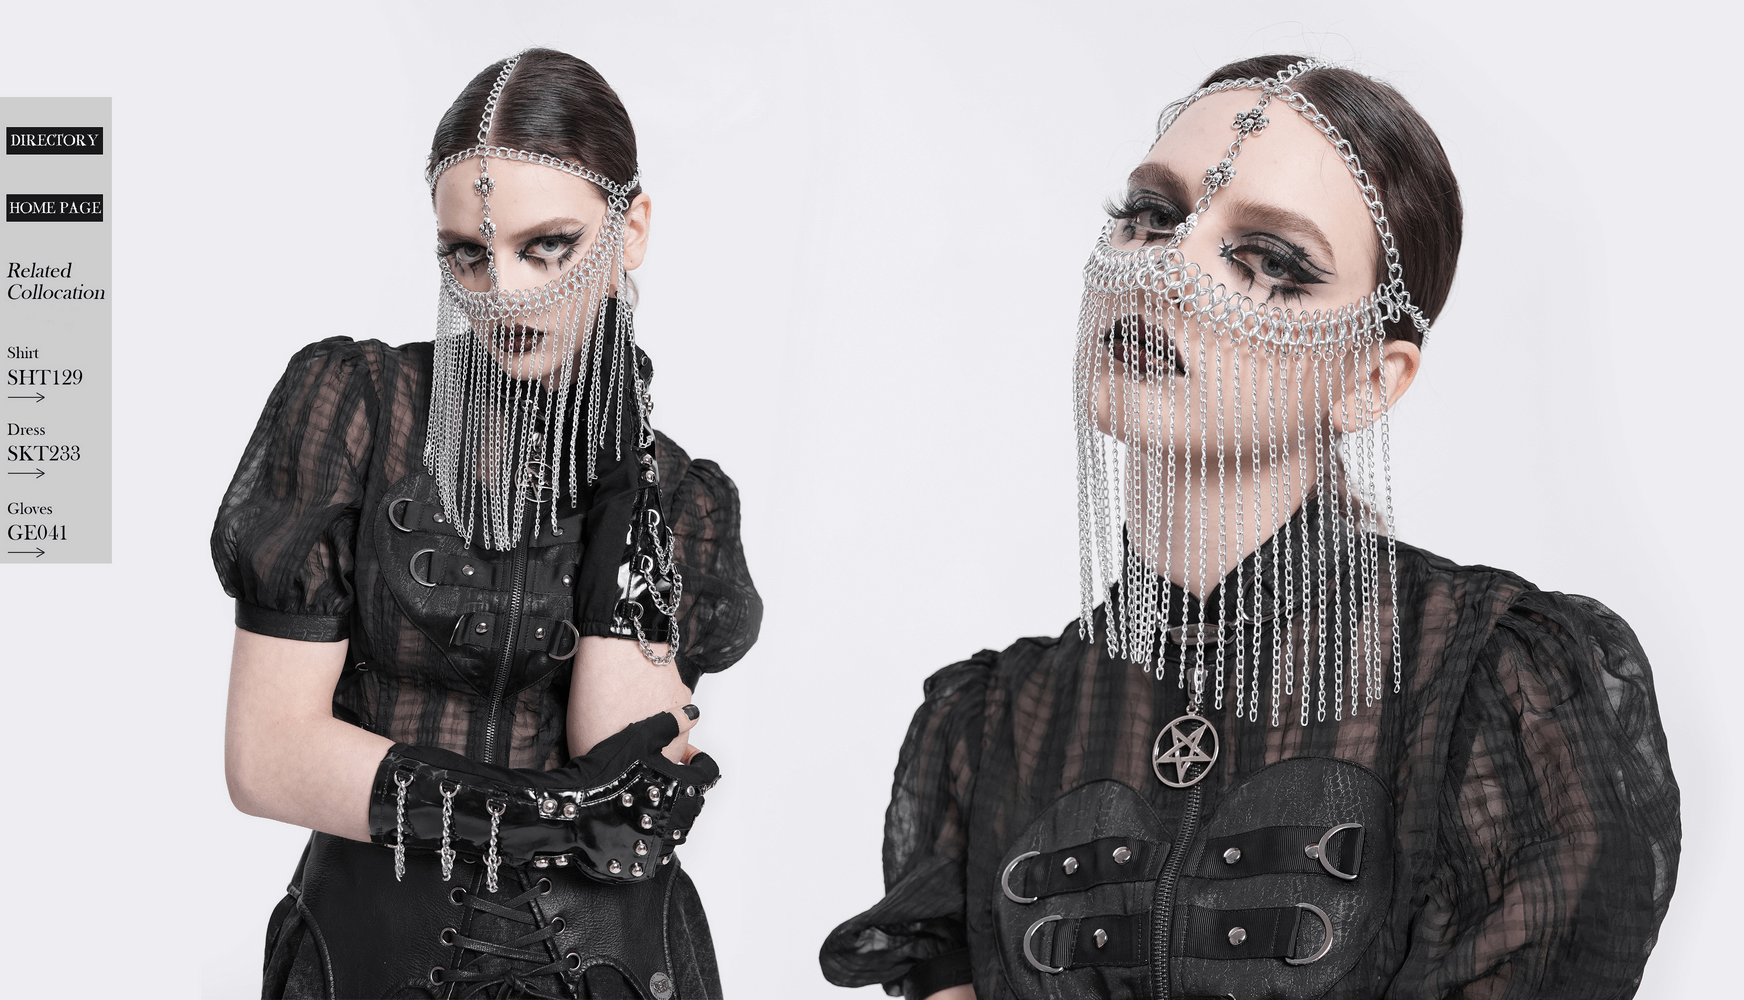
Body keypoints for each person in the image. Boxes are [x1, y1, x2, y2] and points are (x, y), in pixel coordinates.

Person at [820, 55, 1679, 1000]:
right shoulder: (987, 729)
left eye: (1270, 262)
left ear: (1372, 380)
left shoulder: (1496, 686)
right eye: (1149, 216)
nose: (1166, 272)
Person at [215, 48, 760, 999]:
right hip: (368, 964)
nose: (501, 292)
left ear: (630, 228)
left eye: (545, 246)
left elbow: (620, 745)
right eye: (468, 252)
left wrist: (622, 469)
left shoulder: (680, 493)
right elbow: (267, 756)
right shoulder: (360, 407)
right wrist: (538, 812)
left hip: (617, 969)